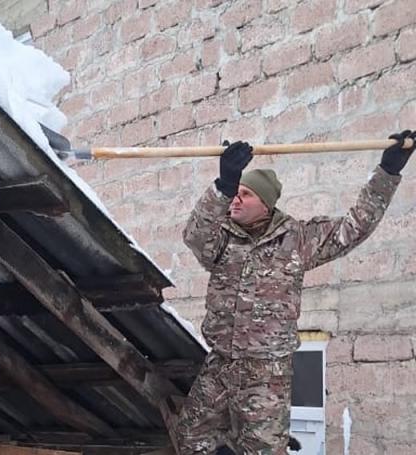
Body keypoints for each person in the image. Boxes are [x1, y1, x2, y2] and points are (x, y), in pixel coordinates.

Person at [174, 131, 415, 455]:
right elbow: (194, 235)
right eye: (236, 192)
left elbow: (354, 227)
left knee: (263, 448)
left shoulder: (297, 239)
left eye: (245, 193)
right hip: (221, 365)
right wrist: (223, 185)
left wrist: (388, 171)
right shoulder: (221, 239)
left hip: (266, 374)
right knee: (191, 437)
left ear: (266, 204)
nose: (236, 199)